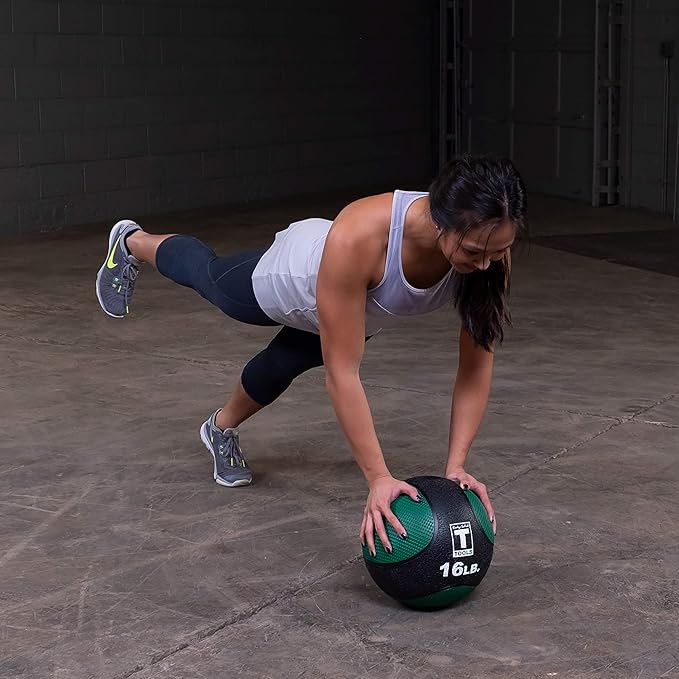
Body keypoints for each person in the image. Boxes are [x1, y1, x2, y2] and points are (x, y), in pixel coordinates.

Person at [95, 155, 527, 556]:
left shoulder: (489, 248)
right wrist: (378, 478)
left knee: (286, 362)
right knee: (215, 281)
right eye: (473, 252)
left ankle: (219, 428)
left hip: (359, 306)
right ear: (439, 220)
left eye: (498, 252)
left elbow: (474, 369)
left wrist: (456, 469)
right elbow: (343, 374)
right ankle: (132, 241)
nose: (486, 264)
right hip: (295, 278)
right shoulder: (363, 233)